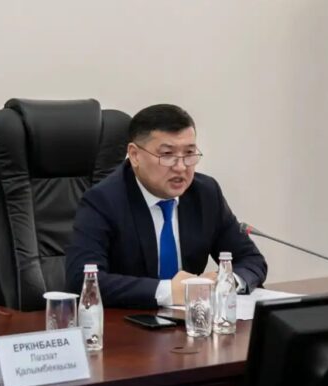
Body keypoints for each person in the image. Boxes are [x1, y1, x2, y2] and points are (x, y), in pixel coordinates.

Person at [65, 104, 267, 308]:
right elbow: (82, 281)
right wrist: (169, 291)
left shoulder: (205, 193)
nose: (181, 167)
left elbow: (251, 260)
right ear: (135, 155)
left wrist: (226, 281)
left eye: (189, 153)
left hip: (193, 320)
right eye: (167, 155)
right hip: (130, 322)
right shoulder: (103, 201)